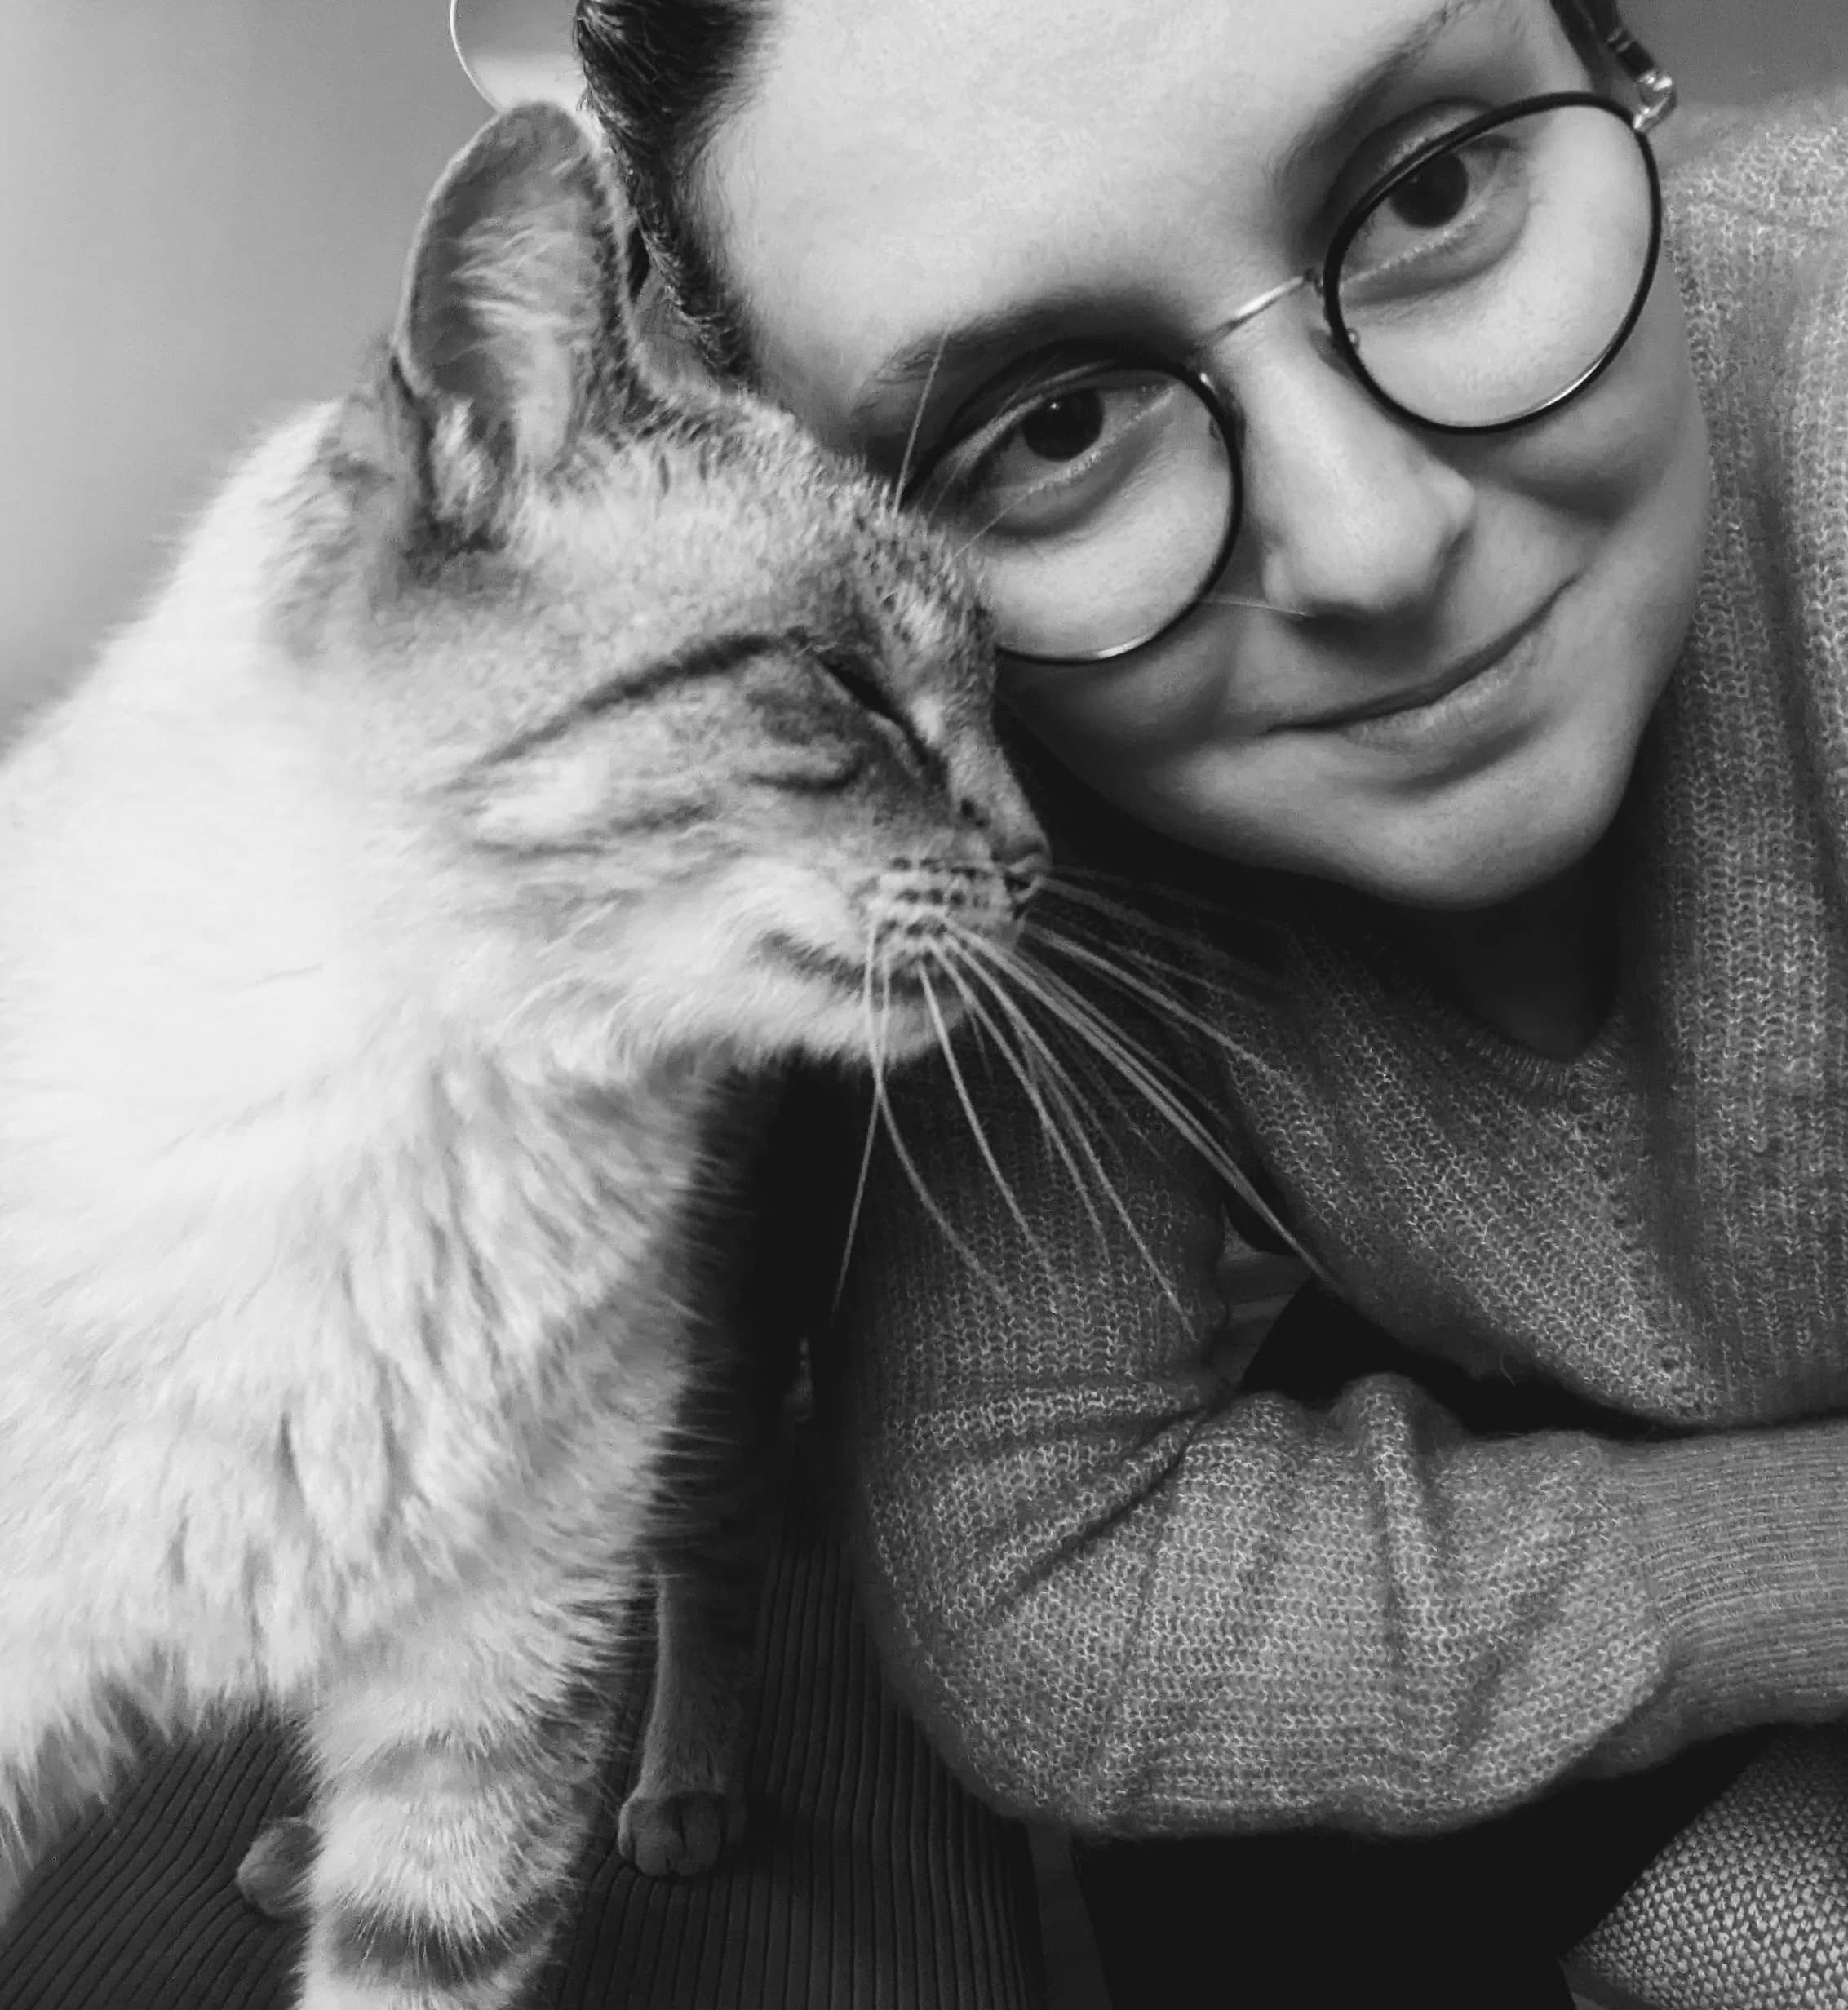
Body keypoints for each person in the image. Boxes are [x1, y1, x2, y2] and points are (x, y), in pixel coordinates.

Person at [570, 1, 1848, 2004]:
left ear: (1617, 66)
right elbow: (1025, 1586)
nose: (1374, 542)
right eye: (1052, 427)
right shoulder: (1015, 817)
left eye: (1429, 190)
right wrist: (1792, 1557)